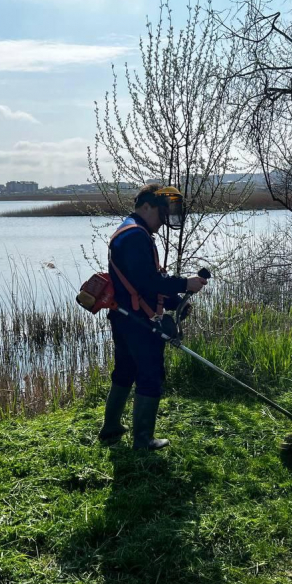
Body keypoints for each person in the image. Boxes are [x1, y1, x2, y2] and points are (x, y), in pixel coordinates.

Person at [98, 184, 207, 450]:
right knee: (150, 375)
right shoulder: (136, 236)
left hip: (123, 316)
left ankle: (111, 428)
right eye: (161, 214)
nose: (163, 221)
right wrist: (184, 284)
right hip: (138, 322)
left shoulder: (128, 230)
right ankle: (143, 440)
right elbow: (148, 281)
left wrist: (174, 302)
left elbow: (137, 283)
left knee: (125, 371)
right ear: (145, 207)